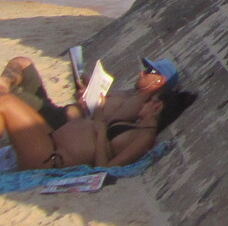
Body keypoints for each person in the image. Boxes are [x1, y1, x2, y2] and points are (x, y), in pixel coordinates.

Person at [0, 86, 194, 172]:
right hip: (49, 139)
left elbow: (105, 170)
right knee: (7, 100)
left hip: (51, 157)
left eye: (150, 101)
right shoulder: (136, 124)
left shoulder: (144, 138)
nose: (144, 103)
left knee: (5, 103)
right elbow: (99, 123)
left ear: (157, 107)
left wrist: (101, 135)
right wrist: (98, 106)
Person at [3, 54, 180, 130]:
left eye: (148, 71)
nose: (142, 72)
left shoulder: (138, 103)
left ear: (159, 81)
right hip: (56, 111)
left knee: (5, 98)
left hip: (57, 123)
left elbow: (104, 125)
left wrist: (89, 106)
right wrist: (86, 92)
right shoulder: (130, 95)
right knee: (21, 63)